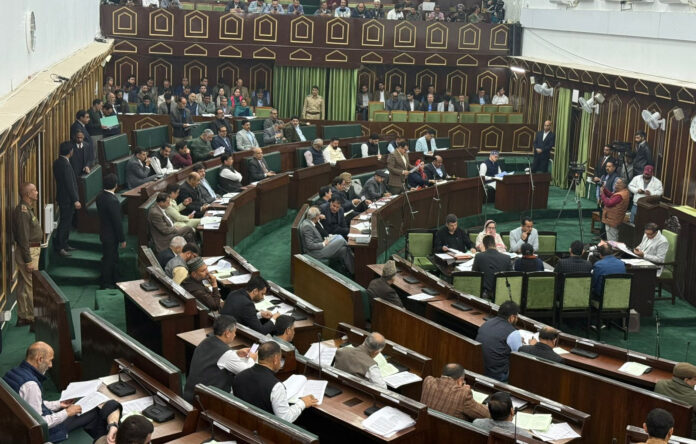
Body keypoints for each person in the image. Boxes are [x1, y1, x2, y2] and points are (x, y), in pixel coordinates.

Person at [3, 342, 122, 443]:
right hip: (48, 432)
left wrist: (59, 404)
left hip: (17, 424)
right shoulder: (31, 385)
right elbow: (40, 424)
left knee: (82, 408)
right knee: (97, 409)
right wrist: (67, 412)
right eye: (50, 360)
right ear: (40, 359)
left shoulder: (14, 373)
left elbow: (32, 405)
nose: (51, 365)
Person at [233, 342, 318, 423]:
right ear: (276, 359)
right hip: (262, 428)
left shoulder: (239, 375)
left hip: (240, 421)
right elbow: (285, 419)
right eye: (280, 358)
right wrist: (302, 403)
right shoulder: (276, 387)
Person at [183, 315, 256, 402]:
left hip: (190, 393)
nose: (235, 335)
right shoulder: (226, 354)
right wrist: (252, 358)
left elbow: (218, 355)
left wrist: (236, 352)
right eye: (234, 332)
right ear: (227, 333)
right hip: (206, 401)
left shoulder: (205, 341)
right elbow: (248, 372)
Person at [12, 183, 43, 327]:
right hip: (28, 252)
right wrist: (28, 260)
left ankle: (24, 315)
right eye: (34, 190)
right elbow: (23, 238)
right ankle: (34, 318)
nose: (37, 192)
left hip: (30, 250)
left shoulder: (27, 209)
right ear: (27, 194)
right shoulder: (23, 211)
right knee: (32, 285)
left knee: (24, 284)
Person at [420, 363, 490, 421]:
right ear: (460, 380)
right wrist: (463, 388)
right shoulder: (463, 393)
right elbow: (486, 414)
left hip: (425, 426)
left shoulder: (428, 381)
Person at [300, 206, 354, 274]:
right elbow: (309, 245)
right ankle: (353, 249)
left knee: (343, 249)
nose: (320, 216)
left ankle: (354, 271)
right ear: (315, 217)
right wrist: (323, 244)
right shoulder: (307, 226)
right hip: (316, 252)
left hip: (320, 246)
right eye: (318, 215)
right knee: (340, 239)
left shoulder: (310, 222)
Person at [96, 174, 126, 289]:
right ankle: (106, 283)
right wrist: (122, 239)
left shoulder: (100, 196)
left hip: (104, 232)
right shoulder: (113, 200)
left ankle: (112, 280)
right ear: (115, 185)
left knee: (108, 258)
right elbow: (117, 222)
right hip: (111, 236)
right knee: (110, 259)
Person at [53, 143, 81, 257]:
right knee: (65, 223)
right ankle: (60, 247)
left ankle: (64, 244)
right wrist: (75, 200)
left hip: (62, 197)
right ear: (70, 152)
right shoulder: (65, 164)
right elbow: (69, 184)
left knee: (66, 222)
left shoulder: (57, 162)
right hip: (67, 199)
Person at [655, 362, 696, 438]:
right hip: (687, 436)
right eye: (695, 380)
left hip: (661, 429)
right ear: (686, 380)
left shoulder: (660, 384)